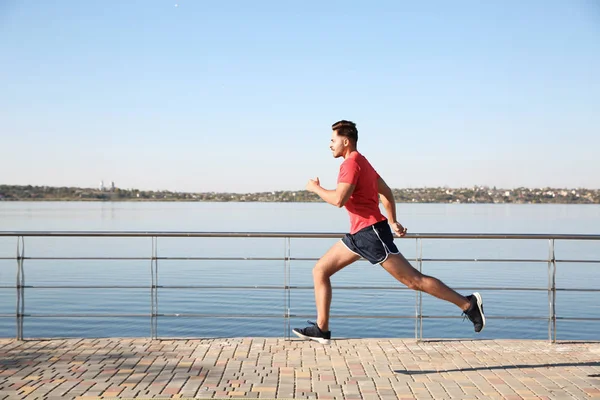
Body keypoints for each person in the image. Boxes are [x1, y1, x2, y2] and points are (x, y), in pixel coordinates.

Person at [292, 120, 485, 344]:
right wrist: (393, 221)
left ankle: (468, 304)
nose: (329, 145)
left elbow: (338, 200)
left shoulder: (351, 164)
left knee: (414, 281)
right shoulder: (363, 162)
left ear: (346, 141)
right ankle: (322, 329)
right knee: (320, 270)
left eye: (332, 140)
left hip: (370, 233)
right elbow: (385, 192)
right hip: (358, 235)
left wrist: (315, 188)